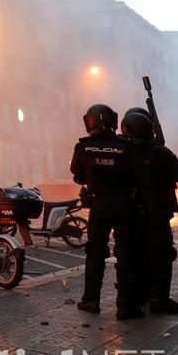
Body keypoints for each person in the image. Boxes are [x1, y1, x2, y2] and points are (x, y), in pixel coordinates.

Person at [71, 104, 143, 319]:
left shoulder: (83, 147)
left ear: (89, 121)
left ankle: (91, 300)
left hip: (99, 206)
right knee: (125, 253)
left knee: (95, 252)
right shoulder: (126, 145)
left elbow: (78, 176)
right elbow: (137, 173)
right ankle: (124, 306)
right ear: (113, 120)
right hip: (124, 205)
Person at [121, 109, 178, 315]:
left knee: (134, 256)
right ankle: (159, 300)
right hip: (157, 214)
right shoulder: (160, 154)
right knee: (161, 257)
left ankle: (136, 296)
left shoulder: (122, 151)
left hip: (131, 215)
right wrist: (161, 147)